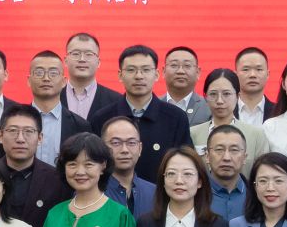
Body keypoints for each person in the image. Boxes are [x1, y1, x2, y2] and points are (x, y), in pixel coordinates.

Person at [86, 45, 193, 182]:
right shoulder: (102, 118)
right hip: (111, 193)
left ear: (156, 74)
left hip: (161, 194)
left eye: (146, 70)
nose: (139, 76)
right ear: (120, 75)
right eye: (131, 70)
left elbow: (185, 163)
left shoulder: (176, 118)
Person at [0, 104, 70, 227]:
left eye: (28, 131)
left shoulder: (57, 180)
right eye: (13, 130)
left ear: (40, 138)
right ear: (0, 136)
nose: (20, 139)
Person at [190, 68, 270, 167]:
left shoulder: (256, 135)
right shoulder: (193, 134)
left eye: (226, 94)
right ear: (205, 97)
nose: (219, 101)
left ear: (238, 96)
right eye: (213, 94)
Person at [26, 49, 89, 165]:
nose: (46, 78)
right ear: (29, 80)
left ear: (64, 81)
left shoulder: (80, 125)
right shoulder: (15, 121)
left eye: (53, 73)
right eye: (39, 73)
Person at [98, 116, 158, 215]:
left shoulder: (155, 193)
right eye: (116, 143)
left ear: (140, 148)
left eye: (131, 143)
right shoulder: (92, 192)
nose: (124, 150)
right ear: (103, 148)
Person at [63, 32, 125, 123]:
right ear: (65, 61)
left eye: (89, 54)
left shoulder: (117, 101)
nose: (82, 59)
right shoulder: (52, 97)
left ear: (98, 62)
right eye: (76, 54)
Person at [203, 124, 252, 223]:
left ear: (244, 158)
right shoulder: (194, 194)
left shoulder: (256, 195)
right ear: (207, 156)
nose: (226, 158)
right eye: (219, 150)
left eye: (234, 150)